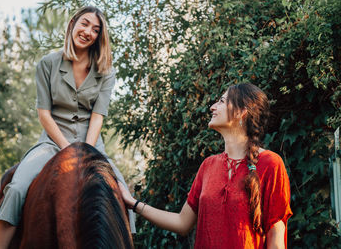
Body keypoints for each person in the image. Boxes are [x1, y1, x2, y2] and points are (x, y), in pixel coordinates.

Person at [0, 6, 135, 248]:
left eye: (95, 29)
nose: (88, 31)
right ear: (72, 24)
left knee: (125, 199)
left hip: (91, 144)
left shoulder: (106, 72)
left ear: (99, 37)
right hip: (52, 141)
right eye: (85, 24)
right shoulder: (47, 63)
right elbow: (44, 115)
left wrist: (86, 154)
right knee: (15, 189)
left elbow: (97, 117)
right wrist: (67, 149)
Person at [120, 83, 292, 248]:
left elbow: (276, 242)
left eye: (222, 101)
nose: (212, 107)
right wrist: (134, 204)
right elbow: (182, 223)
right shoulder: (208, 166)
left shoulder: (271, 164)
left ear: (241, 112)